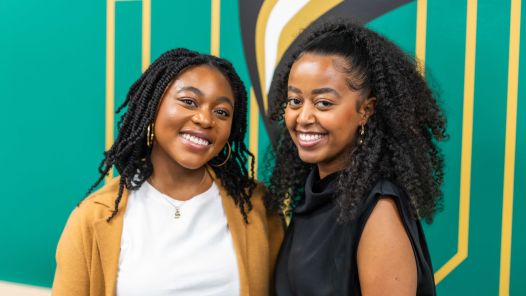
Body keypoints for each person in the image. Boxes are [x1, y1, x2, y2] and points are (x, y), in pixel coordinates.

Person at [52, 48, 284, 296]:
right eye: (188, 102)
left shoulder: (257, 206)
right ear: (153, 107)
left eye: (221, 112)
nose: (205, 119)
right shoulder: (93, 218)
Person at [266, 20, 445, 295]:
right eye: (294, 101)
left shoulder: (378, 208)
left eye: (323, 103)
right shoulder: (317, 193)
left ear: (366, 110)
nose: (303, 117)